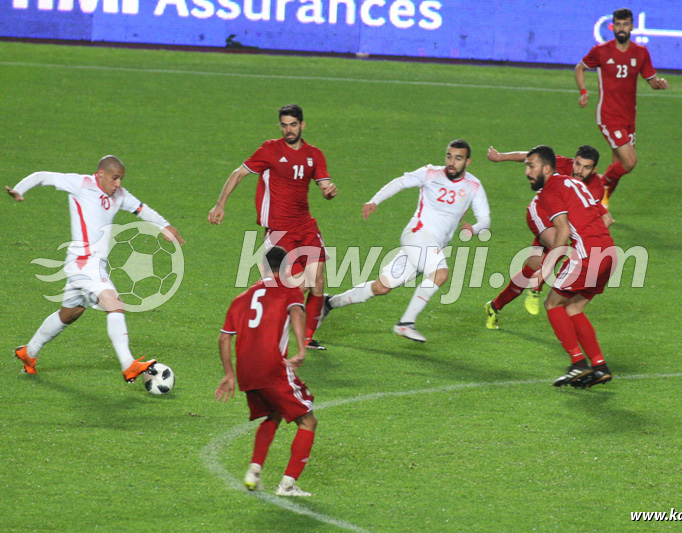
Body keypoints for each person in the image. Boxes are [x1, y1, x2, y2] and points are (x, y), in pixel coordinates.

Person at [5, 155, 185, 382]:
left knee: (69, 314)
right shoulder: (81, 184)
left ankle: (28, 353)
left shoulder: (118, 195)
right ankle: (128, 364)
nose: (118, 183)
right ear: (100, 174)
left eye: (121, 178)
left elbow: (141, 208)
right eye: (114, 178)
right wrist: (20, 190)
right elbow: (44, 176)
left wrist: (165, 226)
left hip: (91, 264)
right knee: (114, 303)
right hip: (84, 261)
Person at [323, 140, 490, 343]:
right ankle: (406, 323)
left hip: (431, 246)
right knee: (440, 273)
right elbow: (400, 182)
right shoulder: (430, 173)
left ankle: (329, 303)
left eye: (458, 158)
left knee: (382, 286)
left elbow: (485, 219)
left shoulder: (473, 185)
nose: (452, 162)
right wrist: (374, 200)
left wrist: (474, 229)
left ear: (468, 161)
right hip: (417, 235)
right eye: (449, 156)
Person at [208, 104, 337, 351]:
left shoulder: (314, 154)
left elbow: (324, 184)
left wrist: (329, 191)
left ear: (302, 125)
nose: (289, 130)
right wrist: (220, 204)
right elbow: (238, 174)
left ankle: (307, 337)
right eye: (284, 125)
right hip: (279, 229)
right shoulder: (270, 150)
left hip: (305, 224)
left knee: (317, 280)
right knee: (296, 286)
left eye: (293, 124)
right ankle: (265, 331)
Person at [214, 246, 317, 497]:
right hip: (272, 368)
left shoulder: (241, 298)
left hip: (247, 373)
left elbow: (224, 339)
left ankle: (254, 471)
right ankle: (288, 485)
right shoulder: (289, 290)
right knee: (308, 421)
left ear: (261, 268)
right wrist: (302, 349)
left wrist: (229, 374)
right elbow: (295, 311)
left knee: (273, 413)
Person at [485, 145, 613, 323]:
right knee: (559, 244)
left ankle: (494, 306)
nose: (579, 170)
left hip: (563, 222)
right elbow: (531, 156)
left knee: (531, 268)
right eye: (577, 164)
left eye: (586, 167)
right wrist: (500, 157)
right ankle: (537, 287)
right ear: (573, 160)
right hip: (542, 212)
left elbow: (603, 218)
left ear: (594, 170)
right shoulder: (562, 164)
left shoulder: (596, 188)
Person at [524, 145, 616, 388]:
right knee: (574, 308)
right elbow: (607, 218)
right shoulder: (573, 183)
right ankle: (599, 367)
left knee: (552, 304)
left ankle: (577, 363)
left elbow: (562, 231)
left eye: (531, 166)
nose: (527, 172)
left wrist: (542, 274)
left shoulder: (550, 191)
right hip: (609, 251)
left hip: (588, 254)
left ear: (546, 167)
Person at [575, 7, 669, 205]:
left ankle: (600, 205)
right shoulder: (601, 51)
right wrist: (583, 91)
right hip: (609, 116)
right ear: (612, 27)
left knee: (617, 165)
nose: (621, 28)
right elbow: (580, 68)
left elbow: (651, 81)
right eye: (618, 24)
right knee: (630, 161)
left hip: (628, 118)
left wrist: (659, 84)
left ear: (632, 27)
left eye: (625, 24)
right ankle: (596, 186)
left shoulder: (641, 53)